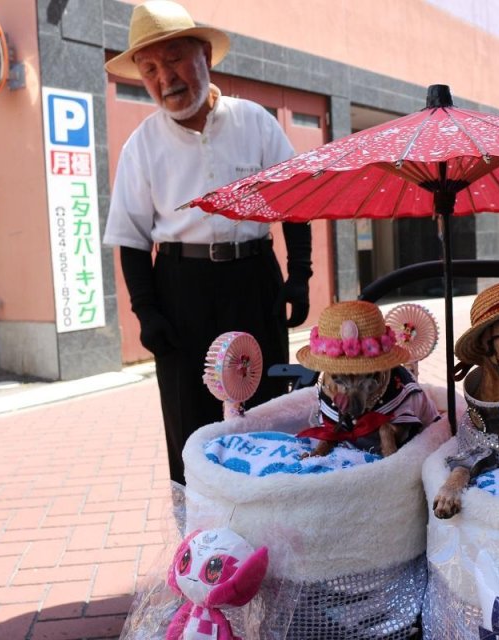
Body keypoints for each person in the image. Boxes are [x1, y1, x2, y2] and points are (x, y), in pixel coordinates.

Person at [103, 1, 312, 485]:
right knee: (189, 416)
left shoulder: (255, 122)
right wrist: (147, 313)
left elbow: (292, 203)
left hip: (252, 279)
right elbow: (132, 239)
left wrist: (299, 276)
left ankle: (274, 514)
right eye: (149, 68)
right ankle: (198, 534)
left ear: (204, 56)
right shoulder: (142, 146)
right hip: (181, 291)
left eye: (174, 59)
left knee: (268, 407)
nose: (164, 78)